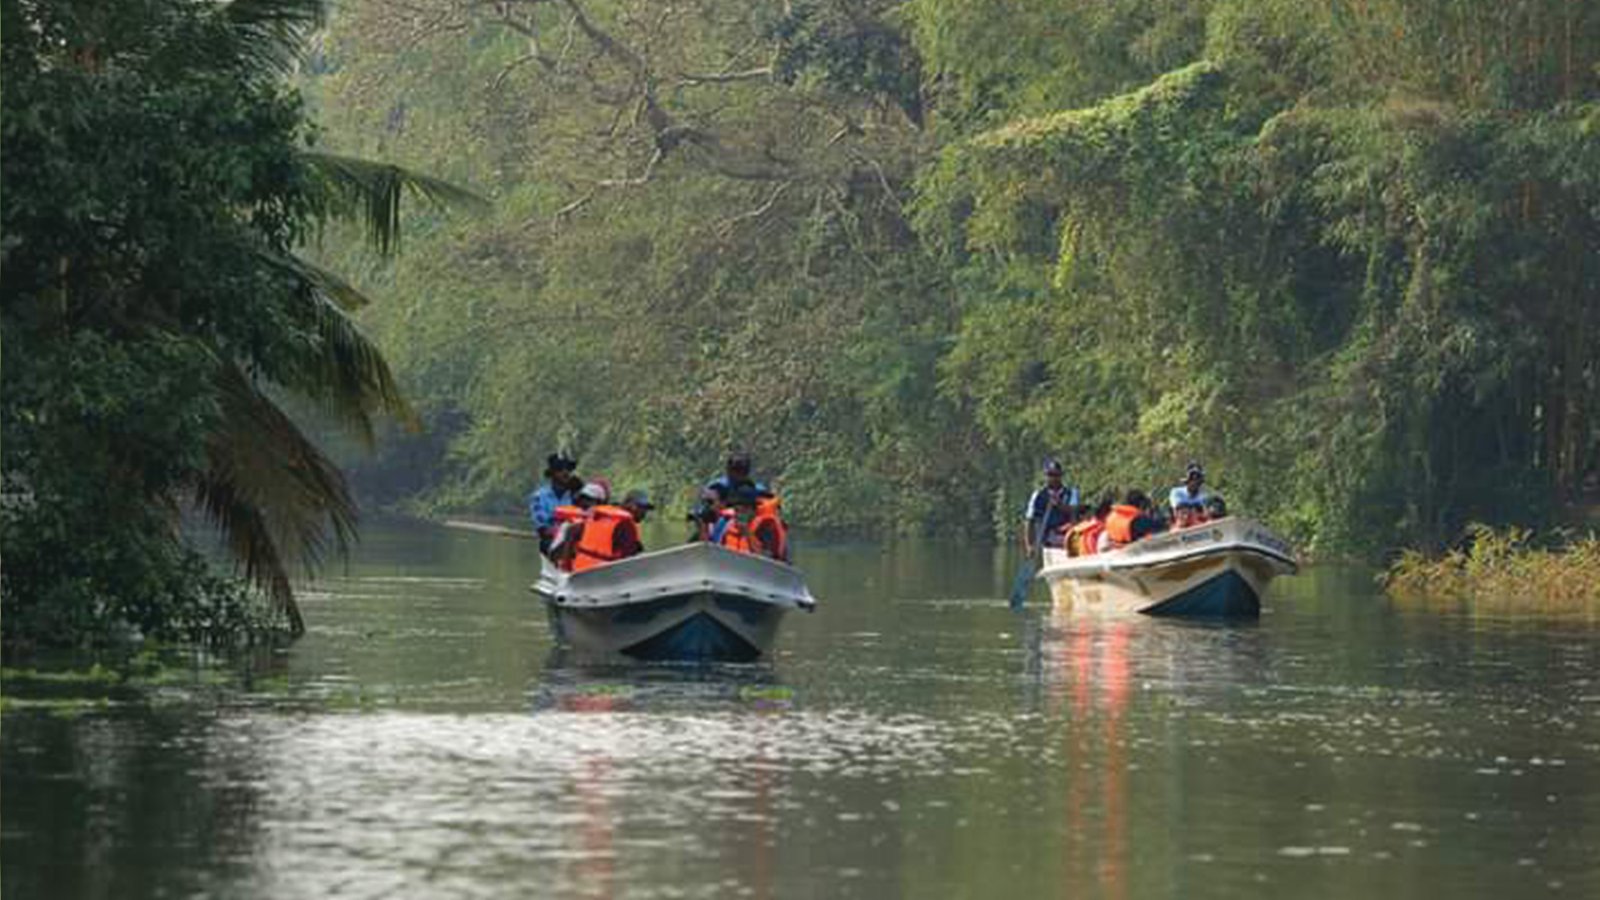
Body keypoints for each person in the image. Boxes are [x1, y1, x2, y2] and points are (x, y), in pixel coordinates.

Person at [572, 487, 645, 572]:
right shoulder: (625, 523)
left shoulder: (596, 514)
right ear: (630, 505)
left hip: (578, 569)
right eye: (642, 507)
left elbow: (571, 533)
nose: (644, 512)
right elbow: (629, 562)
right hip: (600, 574)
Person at [1022, 458, 1080, 556]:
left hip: (1067, 538)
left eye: (1056, 475)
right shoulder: (1038, 495)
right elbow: (1029, 521)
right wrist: (1029, 545)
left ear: (1061, 476)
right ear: (1046, 476)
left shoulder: (1071, 493)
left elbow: (1074, 512)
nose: (1053, 478)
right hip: (1047, 540)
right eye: (1050, 475)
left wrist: (1059, 505)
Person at [528, 452, 583, 554]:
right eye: (560, 469)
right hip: (551, 541)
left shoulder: (576, 494)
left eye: (568, 469)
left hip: (576, 541)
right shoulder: (539, 497)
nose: (565, 472)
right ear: (552, 474)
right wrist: (564, 532)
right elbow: (543, 530)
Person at [549, 481, 606, 570]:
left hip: (599, 568)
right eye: (582, 499)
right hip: (574, 570)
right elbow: (553, 554)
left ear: (601, 504)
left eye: (589, 500)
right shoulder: (569, 524)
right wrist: (570, 537)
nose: (584, 503)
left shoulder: (608, 525)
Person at [1168, 462, 1215, 529]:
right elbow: (1179, 510)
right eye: (1192, 479)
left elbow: (1207, 513)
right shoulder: (1176, 492)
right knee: (1184, 512)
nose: (1195, 482)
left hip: (1201, 523)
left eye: (1197, 479)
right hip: (1182, 525)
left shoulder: (1204, 495)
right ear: (1188, 480)